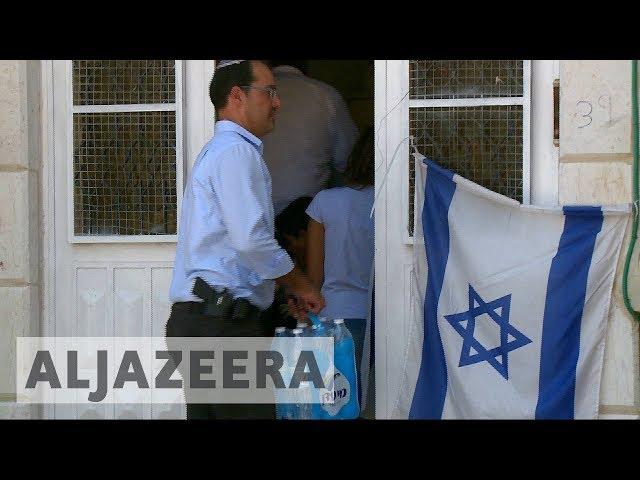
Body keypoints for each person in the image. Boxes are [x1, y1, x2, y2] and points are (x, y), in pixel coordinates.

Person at [165, 60, 325, 420]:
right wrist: (300, 283)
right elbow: (251, 242)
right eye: (269, 92)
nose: (277, 103)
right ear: (237, 95)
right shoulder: (236, 152)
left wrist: (281, 290)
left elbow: (234, 250)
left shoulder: (220, 151)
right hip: (222, 327)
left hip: (205, 321)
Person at [305, 125, 375, 406]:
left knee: (334, 405)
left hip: (332, 315)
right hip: (381, 317)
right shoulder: (393, 205)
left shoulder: (324, 202)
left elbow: (314, 278)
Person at [262, 60, 359, 215]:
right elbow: (352, 161)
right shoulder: (325, 95)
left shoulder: (252, 98)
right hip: (306, 222)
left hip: (254, 215)